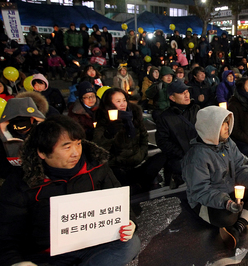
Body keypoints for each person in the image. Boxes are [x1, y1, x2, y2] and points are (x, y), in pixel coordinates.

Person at [0, 115, 140, 266]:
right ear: (42, 152)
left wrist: (129, 222)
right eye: (67, 147)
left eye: (78, 144)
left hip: (94, 245)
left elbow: (120, 205)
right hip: (46, 255)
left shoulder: (96, 166)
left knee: (130, 244)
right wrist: (15, 262)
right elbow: (6, 234)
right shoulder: (21, 183)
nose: (75, 153)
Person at [182, 106, 248, 249]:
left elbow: (240, 168)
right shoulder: (197, 156)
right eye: (222, 124)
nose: (227, 127)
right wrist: (226, 203)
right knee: (227, 217)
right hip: (208, 201)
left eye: (227, 123)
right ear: (210, 127)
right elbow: (201, 191)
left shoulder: (228, 143)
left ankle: (239, 226)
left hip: (230, 191)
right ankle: (246, 212)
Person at [93, 88, 149, 192]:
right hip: (118, 165)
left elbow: (144, 136)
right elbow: (98, 149)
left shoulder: (134, 113)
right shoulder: (103, 119)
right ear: (109, 103)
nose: (123, 104)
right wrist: (109, 134)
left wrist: (141, 153)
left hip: (137, 159)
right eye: (118, 101)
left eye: (124, 100)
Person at [156, 80, 199, 189]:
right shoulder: (165, 117)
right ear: (172, 98)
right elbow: (163, 141)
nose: (186, 95)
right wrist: (182, 154)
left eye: (187, 91)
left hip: (198, 158)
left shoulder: (197, 110)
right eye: (181, 93)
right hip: (179, 161)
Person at [0, 97, 45, 178]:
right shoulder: (2, 138)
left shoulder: (46, 134)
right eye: (16, 119)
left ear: (33, 118)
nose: (20, 123)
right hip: (14, 180)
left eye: (24, 118)